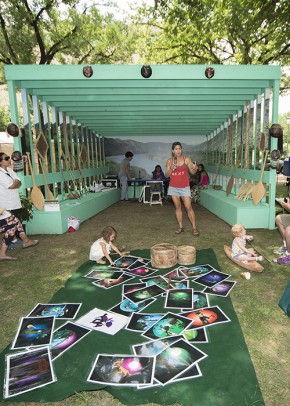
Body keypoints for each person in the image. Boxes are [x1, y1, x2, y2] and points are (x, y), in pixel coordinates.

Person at [165, 142, 199, 235]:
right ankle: (180, 226)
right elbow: (167, 175)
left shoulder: (186, 159)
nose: (178, 151)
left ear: (181, 149)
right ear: (173, 150)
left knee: (188, 207)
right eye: (176, 149)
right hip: (173, 187)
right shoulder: (169, 161)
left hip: (184, 187)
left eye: (179, 148)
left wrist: (195, 168)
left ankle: (194, 228)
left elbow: (192, 172)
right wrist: (171, 168)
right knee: (178, 207)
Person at [0, 152, 22, 218]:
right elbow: (11, 186)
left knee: (17, 226)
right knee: (10, 227)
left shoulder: (10, 170)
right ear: (0, 162)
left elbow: (19, 182)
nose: (9, 160)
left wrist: (16, 182)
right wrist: (16, 182)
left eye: (9, 157)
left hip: (16, 204)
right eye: (6, 159)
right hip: (7, 207)